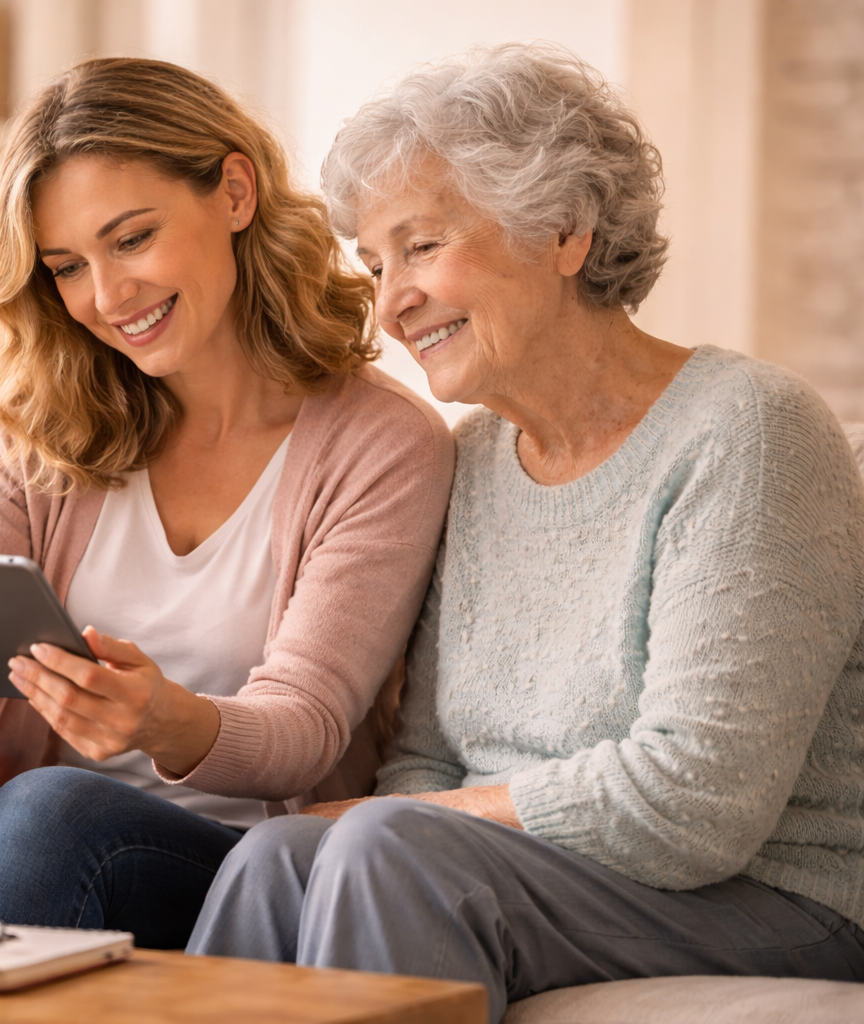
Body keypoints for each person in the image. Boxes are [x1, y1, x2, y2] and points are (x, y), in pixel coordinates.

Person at [186, 42, 864, 1020]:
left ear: (564, 231)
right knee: (275, 856)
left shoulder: (749, 431)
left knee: (389, 848)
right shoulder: (469, 462)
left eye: (422, 247)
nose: (390, 302)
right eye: (376, 265)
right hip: (517, 864)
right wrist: (412, 811)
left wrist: (415, 818)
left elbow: (696, 800)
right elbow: (422, 759)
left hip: (773, 890)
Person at [0, 57, 454, 949]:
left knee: (49, 812)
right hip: (35, 839)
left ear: (235, 191)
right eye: (66, 266)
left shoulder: (382, 443)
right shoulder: (35, 426)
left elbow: (308, 730)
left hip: (236, 857)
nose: (105, 297)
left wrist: (170, 720)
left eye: (131, 239)